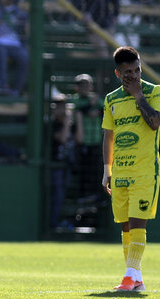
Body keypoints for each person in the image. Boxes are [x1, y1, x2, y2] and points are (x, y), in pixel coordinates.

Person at [102, 46, 160, 291]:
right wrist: (107, 169)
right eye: (128, 72)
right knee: (125, 225)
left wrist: (139, 96)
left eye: (137, 69)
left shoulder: (155, 91)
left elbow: (155, 123)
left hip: (145, 172)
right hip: (120, 172)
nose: (134, 75)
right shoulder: (111, 99)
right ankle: (135, 278)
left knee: (138, 222)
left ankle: (129, 277)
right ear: (118, 74)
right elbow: (108, 136)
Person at [50, 94, 82, 229]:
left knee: (64, 196)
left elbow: (80, 139)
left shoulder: (70, 123)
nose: (61, 109)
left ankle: (63, 223)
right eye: (58, 106)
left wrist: (78, 120)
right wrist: (67, 121)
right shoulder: (53, 124)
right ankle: (53, 224)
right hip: (55, 166)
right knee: (57, 196)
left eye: (63, 105)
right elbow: (62, 138)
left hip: (68, 166)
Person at [0, 0, 29, 96]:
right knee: (0, 54)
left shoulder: (20, 13)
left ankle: (16, 89)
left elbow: (25, 32)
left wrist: (25, 45)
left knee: (25, 58)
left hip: (16, 43)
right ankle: (3, 85)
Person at [73, 73, 104, 199]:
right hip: (82, 142)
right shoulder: (76, 99)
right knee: (83, 171)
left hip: (96, 140)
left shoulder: (96, 99)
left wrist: (97, 110)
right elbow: (78, 109)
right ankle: (83, 195)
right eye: (82, 85)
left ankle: (95, 195)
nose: (85, 87)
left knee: (96, 171)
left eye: (87, 85)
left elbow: (105, 109)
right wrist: (91, 107)